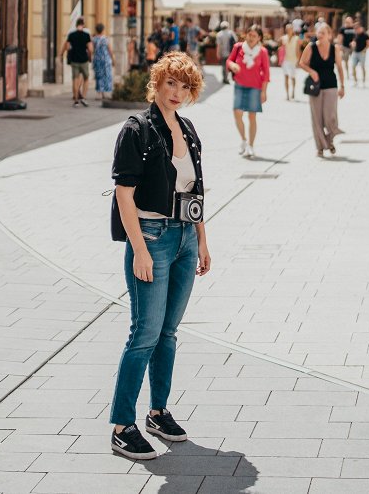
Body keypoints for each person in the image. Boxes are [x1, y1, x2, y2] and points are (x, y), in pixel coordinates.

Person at [110, 52, 210, 461]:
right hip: (151, 236)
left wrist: (202, 241)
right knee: (145, 333)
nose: (177, 93)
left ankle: (158, 411)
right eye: (171, 83)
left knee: (168, 332)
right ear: (157, 83)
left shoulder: (187, 128)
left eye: (185, 86)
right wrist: (139, 249)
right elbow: (124, 193)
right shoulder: (137, 128)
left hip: (185, 236)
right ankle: (121, 425)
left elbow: (197, 190)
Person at [299, 22, 345, 158]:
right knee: (317, 118)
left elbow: (340, 68)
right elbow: (301, 63)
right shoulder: (311, 47)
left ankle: (329, 141)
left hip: (331, 85)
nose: (320, 35)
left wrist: (342, 86)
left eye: (323, 33)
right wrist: (311, 71)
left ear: (329, 35)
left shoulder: (334, 48)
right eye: (318, 32)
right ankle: (320, 147)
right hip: (316, 87)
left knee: (330, 117)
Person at [226, 24, 270, 159]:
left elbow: (266, 73)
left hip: (255, 88)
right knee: (237, 113)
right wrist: (232, 65)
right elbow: (229, 61)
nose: (251, 38)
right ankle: (244, 140)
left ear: (259, 38)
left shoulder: (262, 52)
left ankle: (251, 145)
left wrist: (264, 91)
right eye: (249, 35)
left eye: (254, 36)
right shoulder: (238, 47)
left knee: (252, 117)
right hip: (239, 85)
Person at [61, 17, 93, 106]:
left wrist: (63, 54)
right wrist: (90, 57)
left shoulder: (72, 35)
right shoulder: (86, 35)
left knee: (75, 79)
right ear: (83, 24)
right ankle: (84, 97)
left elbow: (67, 47)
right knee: (86, 79)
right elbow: (90, 49)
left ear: (76, 25)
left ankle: (76, 100)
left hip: (74, 60)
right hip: (84, 60)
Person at [92, 23, 115, 99]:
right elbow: (110, 50)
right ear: (103, 30)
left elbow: (91, 50)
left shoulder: (94, 39)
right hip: (105, 60)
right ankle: (105, 93)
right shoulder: (105, 39)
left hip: (97, 60)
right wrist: (113, 59)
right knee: (107, 76)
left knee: (98, 76)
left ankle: (99, 93)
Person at [280, 22, 301, 100]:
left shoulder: (297, 38)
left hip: (293, 60)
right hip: (285, 60)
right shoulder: (283, 38)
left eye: (290, 29)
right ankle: (287, 94)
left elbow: (298, 50)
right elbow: (281, 49)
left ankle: (293, 91)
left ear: (292, 29)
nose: (289, 30)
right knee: (286, 76)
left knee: (292, 77)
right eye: (287, 29)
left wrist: (298, 61)